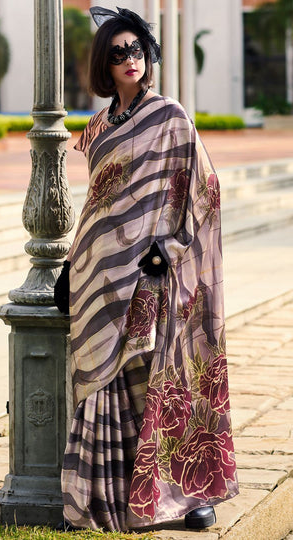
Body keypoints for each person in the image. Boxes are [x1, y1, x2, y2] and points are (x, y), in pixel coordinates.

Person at [54, 5, 239, 532]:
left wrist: (164, 255)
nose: (129, 59)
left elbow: (204, 190)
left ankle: (182, 497)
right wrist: (72, 265)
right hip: (98, 274)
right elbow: (98, 203)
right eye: (118, 53)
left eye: (137, 50)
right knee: (108, 385)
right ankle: (107, 496)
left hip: (153, 273)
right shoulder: (96, 129)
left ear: (148, 56)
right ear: (103, 66)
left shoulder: (171, 116)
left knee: (160, 377)